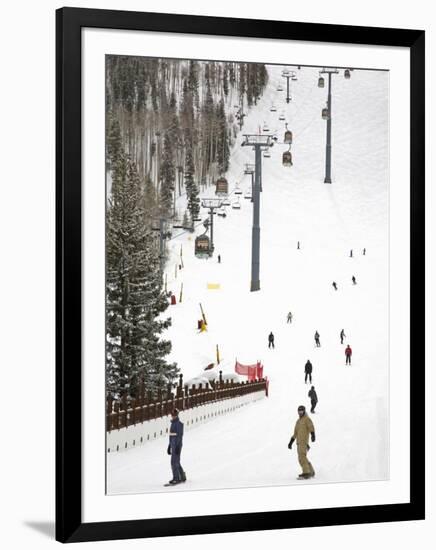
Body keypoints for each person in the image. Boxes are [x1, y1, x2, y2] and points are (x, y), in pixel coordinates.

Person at [288, 405, 316, 479]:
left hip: (304, 442)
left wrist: (313, 434)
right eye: (299, 411)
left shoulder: (307, 419)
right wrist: (291, 442)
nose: (300, 412)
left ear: (304, 411)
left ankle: (306, 473)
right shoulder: (298, 421)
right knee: (301, 458)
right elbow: (295, 433)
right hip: (299, 443)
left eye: (301, 411)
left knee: (302, 457)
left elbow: (311, 426)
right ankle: (311, 471)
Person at [166, 409, 186, 485]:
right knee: (176, 461)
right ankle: (182, 476)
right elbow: (171, 436)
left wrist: (177, 446)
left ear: (177, 415)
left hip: (177, 445)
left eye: (174, 415)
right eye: (172, 415)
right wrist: (169, 446)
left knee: (174, 462)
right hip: (173, 445)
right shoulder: (173, 423)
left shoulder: (178, 424)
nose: (173, 416)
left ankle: (176, 478)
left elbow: (179, 437)